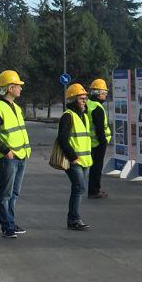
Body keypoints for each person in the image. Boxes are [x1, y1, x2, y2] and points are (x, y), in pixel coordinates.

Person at [0, 70, 31, 239]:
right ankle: (7, 226)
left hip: (20, 155)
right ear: (10, 88)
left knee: (14, 192)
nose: (21, 88)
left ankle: (11, 222)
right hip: (8, 158)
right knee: (6, 193)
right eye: (18, 86)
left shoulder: (16, 108)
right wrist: (6, 151)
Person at [59, 82, 93, 230]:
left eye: (85, 98)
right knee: (79, 187)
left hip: (85, 160)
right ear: (73, 99)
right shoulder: (68, 116)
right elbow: (62, 139)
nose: (84, 101)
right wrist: (73, 157)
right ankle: (73, 219)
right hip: (75, 161)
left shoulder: (83, 115)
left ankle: (73, 219)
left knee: (79, 188)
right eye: (81, 98)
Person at [86, 78, 112, 198]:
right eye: (105, 93)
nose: (105, 95)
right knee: (97, 167)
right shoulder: (97, 108)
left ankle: (93, 189)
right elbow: (99, 128)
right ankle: (94, 190)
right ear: (99, 93)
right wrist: (103, 142)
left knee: (92, 168)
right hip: (98, 143)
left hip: (89, 142)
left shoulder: (87, 104)